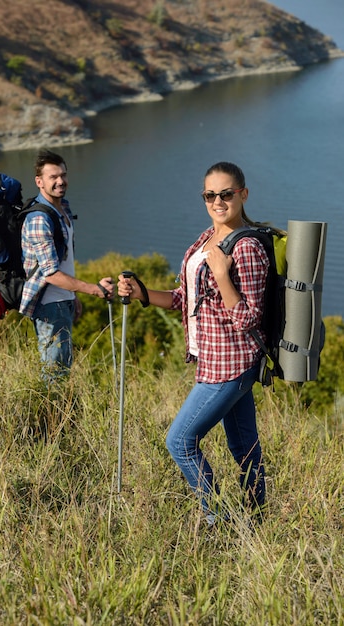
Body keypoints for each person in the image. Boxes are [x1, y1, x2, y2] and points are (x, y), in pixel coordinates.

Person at [118, 162, 269, 526]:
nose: (218, 201)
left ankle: (217, 517)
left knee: (179, 442)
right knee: (244, 447)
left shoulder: (247, 247)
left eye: (226, 193)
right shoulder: (206, 239)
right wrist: (141, 293)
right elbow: (183, 299)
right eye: (210, 195)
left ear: (243, 194)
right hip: (216, 361)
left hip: (230, 365)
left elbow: (249, 317)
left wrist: (221, 273)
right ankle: (258, 519)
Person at [20, 148, 114, 378]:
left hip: (63, 300)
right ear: (39, 181)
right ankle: (51, 414)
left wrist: (73, 296)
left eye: (63, 175)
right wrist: (94, 289)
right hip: (49, 305)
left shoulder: (62, 208)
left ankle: (58, 413)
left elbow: (63, 262)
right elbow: (50, 273)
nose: (60, 181)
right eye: (53, 177)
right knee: (54, 373)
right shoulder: (39, 219)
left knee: (63, 368)